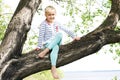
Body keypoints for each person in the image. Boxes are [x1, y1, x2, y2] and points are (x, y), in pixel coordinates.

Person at [36, 5, 80, 79]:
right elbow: (41, 35)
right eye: (49, 15)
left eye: (53, 14)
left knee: (59, 34)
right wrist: (39, 46)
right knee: (55, 47)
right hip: (48, 43)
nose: (51, 16)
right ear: (45, 15)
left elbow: (66, 29)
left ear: (55, 14)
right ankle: (53, 68)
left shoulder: (56, 23)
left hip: (56, 41)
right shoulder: (43, 24)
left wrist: (74, 36)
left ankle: (45, 51)